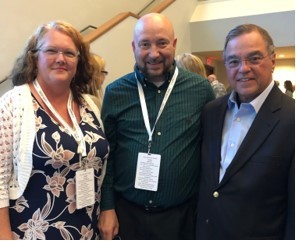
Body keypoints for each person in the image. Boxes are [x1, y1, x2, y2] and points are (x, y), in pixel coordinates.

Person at [99, 13, 215, 240]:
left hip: (182, 219)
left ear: (174, 44)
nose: (154, 53)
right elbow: (107, 157)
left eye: (162, 43)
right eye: (145, 44)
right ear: (134, 47)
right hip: (127, 217)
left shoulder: (200, 90)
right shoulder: (115, 93)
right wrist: (107, 207)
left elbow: (210, 151)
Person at [0, 20, 109, 239]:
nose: (60, 59)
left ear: (79, 61)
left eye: (69, 53)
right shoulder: (13, 105)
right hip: (33, 232)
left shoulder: (90, 104)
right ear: (34, 57)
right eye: (51, 50)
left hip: (87, 229)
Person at [196, 24, 295, 239]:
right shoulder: (211, 112)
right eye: (233, 61)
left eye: (254, 58)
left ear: (272, 61)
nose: (243, 68)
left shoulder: (291, 119)